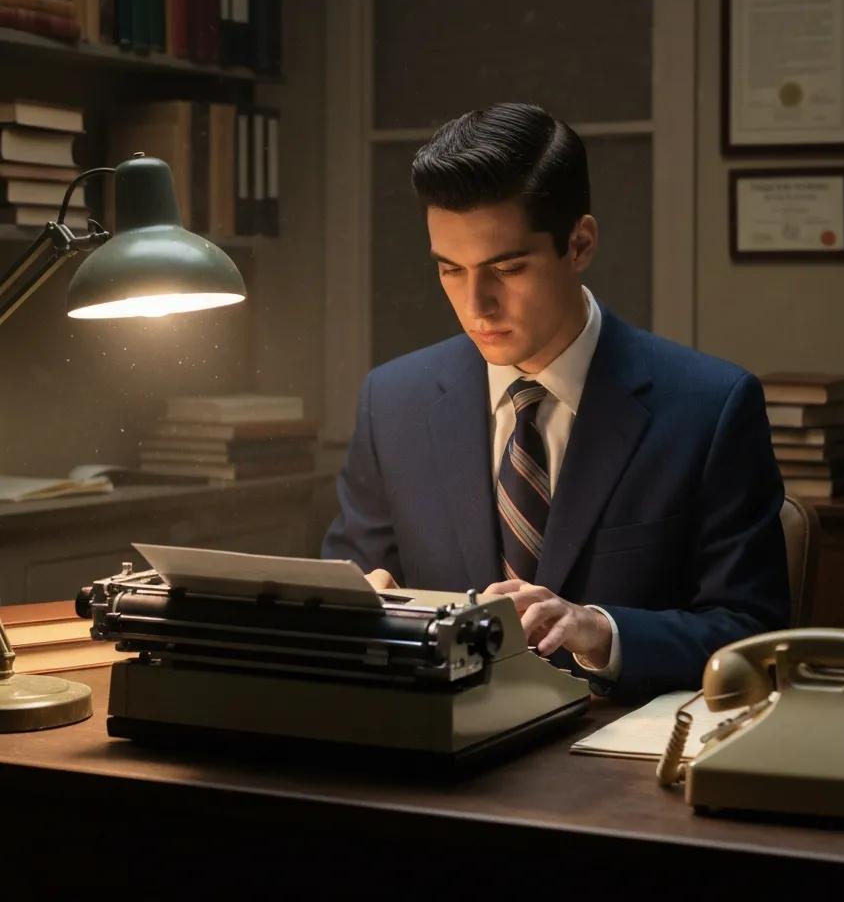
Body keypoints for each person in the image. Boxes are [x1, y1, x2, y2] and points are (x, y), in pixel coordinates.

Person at [322, 102, 789, 700]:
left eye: (508, 268)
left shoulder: (711, 406)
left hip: (619, 763)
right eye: (450, 271)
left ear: (581, 243)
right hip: (442, 754)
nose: (477, 305)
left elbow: (758, 637)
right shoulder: (391, 402)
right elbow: (350, 592)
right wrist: (361, 606)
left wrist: (604, 632)